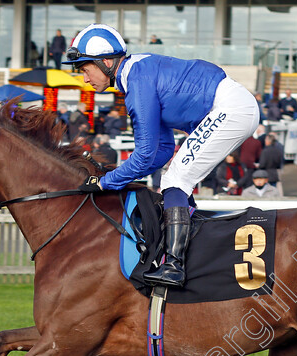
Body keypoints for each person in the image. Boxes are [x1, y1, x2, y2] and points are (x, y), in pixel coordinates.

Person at [65, 24, 259, 287]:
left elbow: (145, 154)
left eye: (85, 69)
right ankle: (185, 254)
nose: (85, 79)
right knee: (173, 179)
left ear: (106, 62)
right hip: (233, 105)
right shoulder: (136, 75)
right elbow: (162, 149)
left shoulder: (137, 81)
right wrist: (114, 178)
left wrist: (106, 181)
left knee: (175, 181)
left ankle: (175, 266)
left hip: (231, 107)